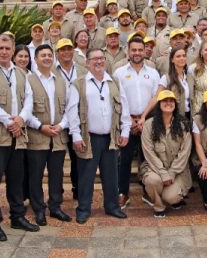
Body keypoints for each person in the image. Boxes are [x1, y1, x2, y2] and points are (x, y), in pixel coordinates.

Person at [0, 33, 36, 240]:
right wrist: (9, 122)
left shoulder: (20, 73)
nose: (4, 52)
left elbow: (29, 98)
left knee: (16, 179)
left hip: (17, 135)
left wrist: (21, 119)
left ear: (12, 50)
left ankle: (17, 216)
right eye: (0, 48)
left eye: (7, 48)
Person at [68, 49, 131, 223]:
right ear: (87, 63)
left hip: (110, 137)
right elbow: (72, 111)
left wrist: (125, 130)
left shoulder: (114, 82)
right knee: (86, 176)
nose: (99, 62)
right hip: (89, 137)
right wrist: (76, 135)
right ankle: (83, 209)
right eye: (94, 59)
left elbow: (124, 107)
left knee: (111, 175)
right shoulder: (79, 84)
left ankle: (112, 207)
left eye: (101, 58)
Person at [22, 44, 72, 225]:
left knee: (56, 175)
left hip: (58, 136)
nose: (47, 58)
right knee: (35, 175)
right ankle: (38, 209)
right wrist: (40, 126)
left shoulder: (60, 80)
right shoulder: (29, 80)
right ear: (35, 59)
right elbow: (26, 110)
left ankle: (55, 207)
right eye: (42, 55)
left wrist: (62, 125)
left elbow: (69, 107)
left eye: (49, 55)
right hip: (38, 136)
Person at [113, 36, 161, 209]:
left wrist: (142, 119)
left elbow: (156, 97)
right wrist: (130, 120)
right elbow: (117, 98)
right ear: (128, 51)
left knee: (148, 158)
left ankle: (149, 191)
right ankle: (122, 192)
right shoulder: (119, 73)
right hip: (127, 122)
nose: (137, 53)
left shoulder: (153, 73)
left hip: (147, 121)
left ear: (145, 51)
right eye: (134, 50)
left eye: (140, 50)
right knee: (124, 159)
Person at [140, 90, 192, 217]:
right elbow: (149, 152)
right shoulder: (148, 125)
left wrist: (172, 173)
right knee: (152, 180)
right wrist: (163, 173)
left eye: (171, 101)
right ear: (159, 104)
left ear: (175, 104)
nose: (168, 103)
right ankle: (158, 206)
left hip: (177, 170)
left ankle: (171, 196)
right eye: (165, 101)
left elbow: (184, 152)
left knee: (171, 197)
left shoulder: (183, 125)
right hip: (155, 168)